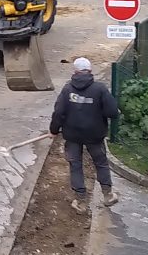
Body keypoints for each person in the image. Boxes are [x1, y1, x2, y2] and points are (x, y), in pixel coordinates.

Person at [49, 57, 120, 213]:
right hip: (95, 135)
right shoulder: (99, 89)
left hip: (72, 136)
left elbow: (59, 112)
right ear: (90, 70)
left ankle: (81, 202)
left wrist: (54, 130)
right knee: (100, 163)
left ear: (75, 71)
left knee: (76, 166)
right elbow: (112, 112)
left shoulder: (68, 90)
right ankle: (108, 195)